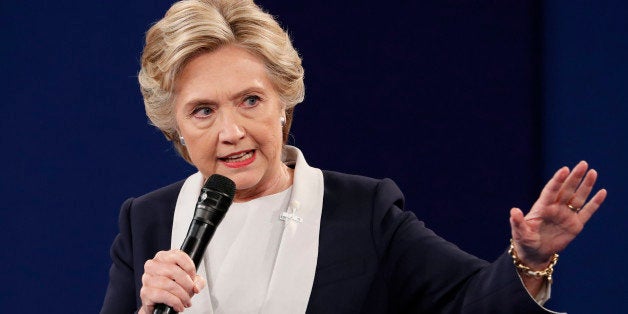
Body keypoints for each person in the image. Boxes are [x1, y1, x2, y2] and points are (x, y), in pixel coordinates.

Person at [100, 0, 607, 313]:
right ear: (177, 129)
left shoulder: (362, 211)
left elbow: (469, 303)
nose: (231, 132)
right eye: (203, 111)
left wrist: (532, 258)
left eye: (250, 101)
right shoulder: (148, 221)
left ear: (285, 103)